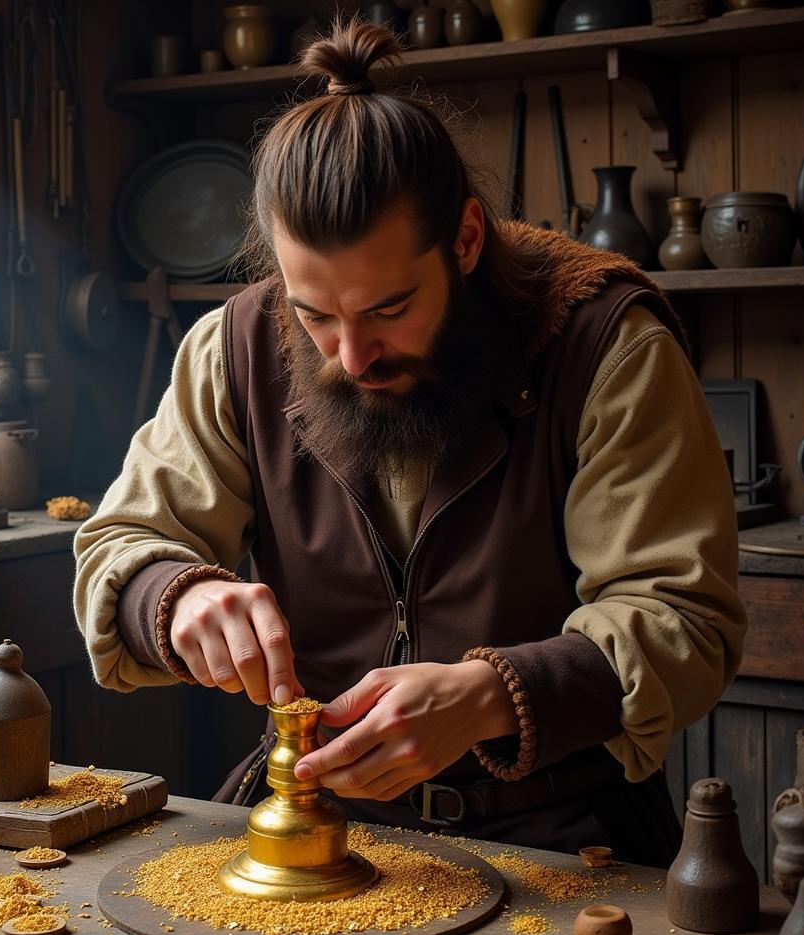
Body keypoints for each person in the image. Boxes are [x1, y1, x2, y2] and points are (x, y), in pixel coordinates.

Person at [74, 19, 746, 866]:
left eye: (389, 309)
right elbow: (118, 549)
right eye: (314, 313)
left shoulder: (604, 345)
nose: (350, 357)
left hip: (563, 834)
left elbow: (682, 618)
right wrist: (173, 597)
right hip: (317, 827)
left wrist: (492, 695)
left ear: (466, 240)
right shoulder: (235, 346)